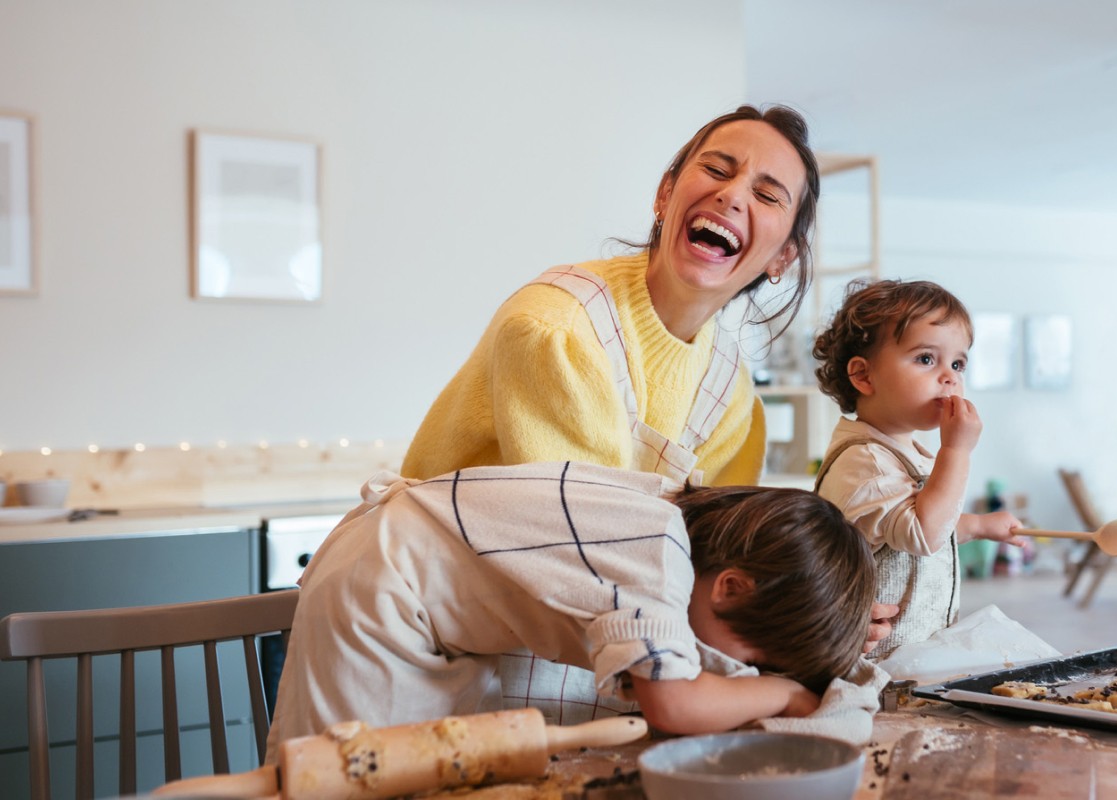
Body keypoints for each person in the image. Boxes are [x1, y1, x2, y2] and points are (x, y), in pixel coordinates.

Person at [265, 461, 884, 763]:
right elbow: (674, 703)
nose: (731, 668)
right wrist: (779, 694)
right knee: (355, 770)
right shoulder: (658, 553)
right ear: (730, 588)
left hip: (415, 592)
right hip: (380, 588)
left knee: (435, 769)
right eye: (752, 657)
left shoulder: (669, 520)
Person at [400, 104, 821, 488]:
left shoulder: (729, 393)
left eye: (766, 196)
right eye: (716, 170)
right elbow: (576, 538)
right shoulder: (557, 328)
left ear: (783, 257)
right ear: (665, 193)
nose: (731, 195)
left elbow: (709, 553)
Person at [811, 279, 1025, 660]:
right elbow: (922, 533)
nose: (950, 377)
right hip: (873, 657)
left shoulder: (905, 450)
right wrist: (957, 450)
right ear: (863, 376)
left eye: (958, 363)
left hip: (912, 654)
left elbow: (909, 526)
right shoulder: (866, 462)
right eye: (926, 359)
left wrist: (976, 526)